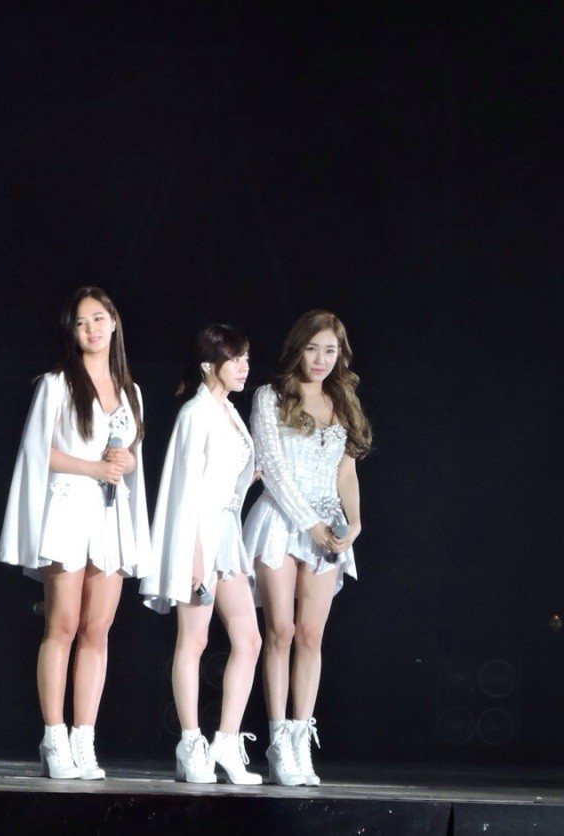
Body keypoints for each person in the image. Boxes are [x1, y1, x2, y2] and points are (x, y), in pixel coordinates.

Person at [0, 287, 152, 780]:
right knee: (61, 625)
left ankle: (85, 738)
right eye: (82, 322)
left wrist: (125, 461)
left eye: (99, 319)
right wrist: (92, 467)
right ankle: (54, 736)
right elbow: (37, 451)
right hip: (67, 508)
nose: (92, 329)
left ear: (114, 322)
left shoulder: (130, 390)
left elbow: (131, 458)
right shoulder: (57, 384)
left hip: (109, 514)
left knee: (97, 629)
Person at [241, 310, 370, 786]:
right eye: (313, 348)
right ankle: (277, 742)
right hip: (281, 522)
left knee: (311, 636)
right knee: (281, 629)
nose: (320, 359)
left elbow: (346, 471)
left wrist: (354, 522)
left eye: (330, 350)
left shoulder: (342, 401)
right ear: (298, 348)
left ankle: (300, 739)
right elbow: (272, 470)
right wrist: (309, 524)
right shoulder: (270, 396)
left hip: (327, 527)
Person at [138, 324, 263, 785]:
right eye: (235, 359)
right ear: (211, 365)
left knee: (249, 640)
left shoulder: (229, 412)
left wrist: (246, 480)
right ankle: (191, 742)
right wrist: (193, 557)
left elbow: (226, 478)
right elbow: (186, 489)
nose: (244, 367)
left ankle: (226, 742)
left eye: (246, 359)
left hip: (225, 531)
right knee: (194, 640)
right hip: (198, 537)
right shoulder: (196, 413)